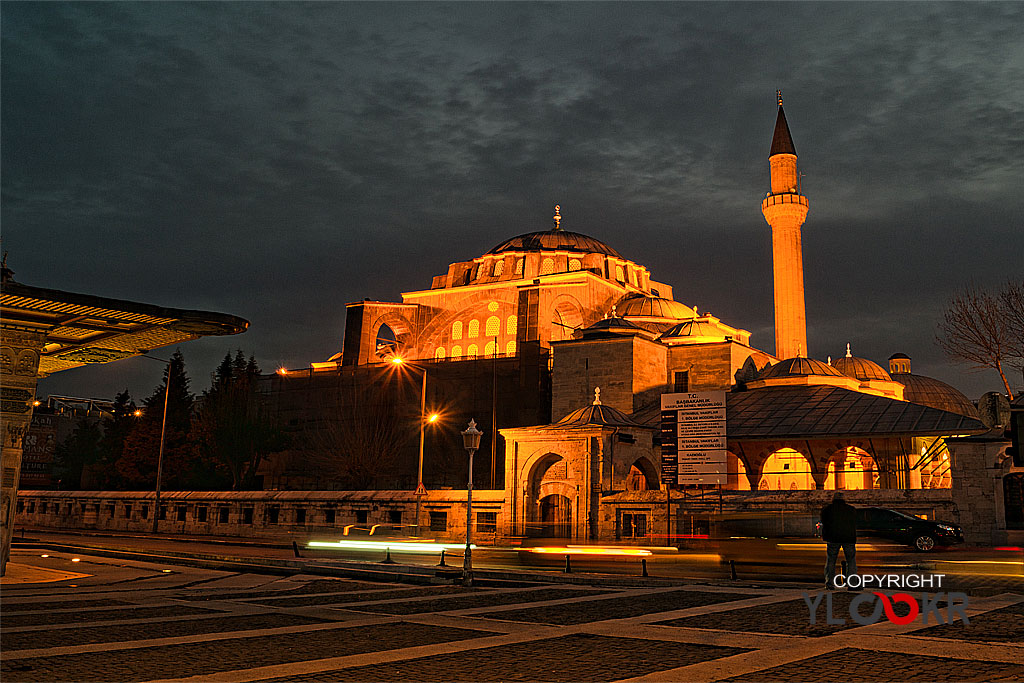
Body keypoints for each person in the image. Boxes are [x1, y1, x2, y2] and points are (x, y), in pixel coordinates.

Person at [820, 490, 857, 590]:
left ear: (833, 499)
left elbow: (824, 521)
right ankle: (852, 584)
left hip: (833, 538)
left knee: (831, 561)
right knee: (851, 561)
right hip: (848, 538)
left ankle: (829, 583)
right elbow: (855, 521)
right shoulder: (851, 509)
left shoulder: (827, 510)